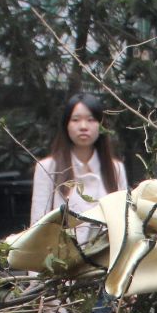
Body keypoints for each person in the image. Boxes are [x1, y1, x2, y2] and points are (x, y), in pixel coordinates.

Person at [29, 91, 128, 223]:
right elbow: (38, 224)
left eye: (91, 120)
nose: (83, 127)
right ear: (66, 125)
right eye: (75, 120)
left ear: (101, 126)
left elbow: (124, 220)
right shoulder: (47, 168)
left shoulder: (115, 168)